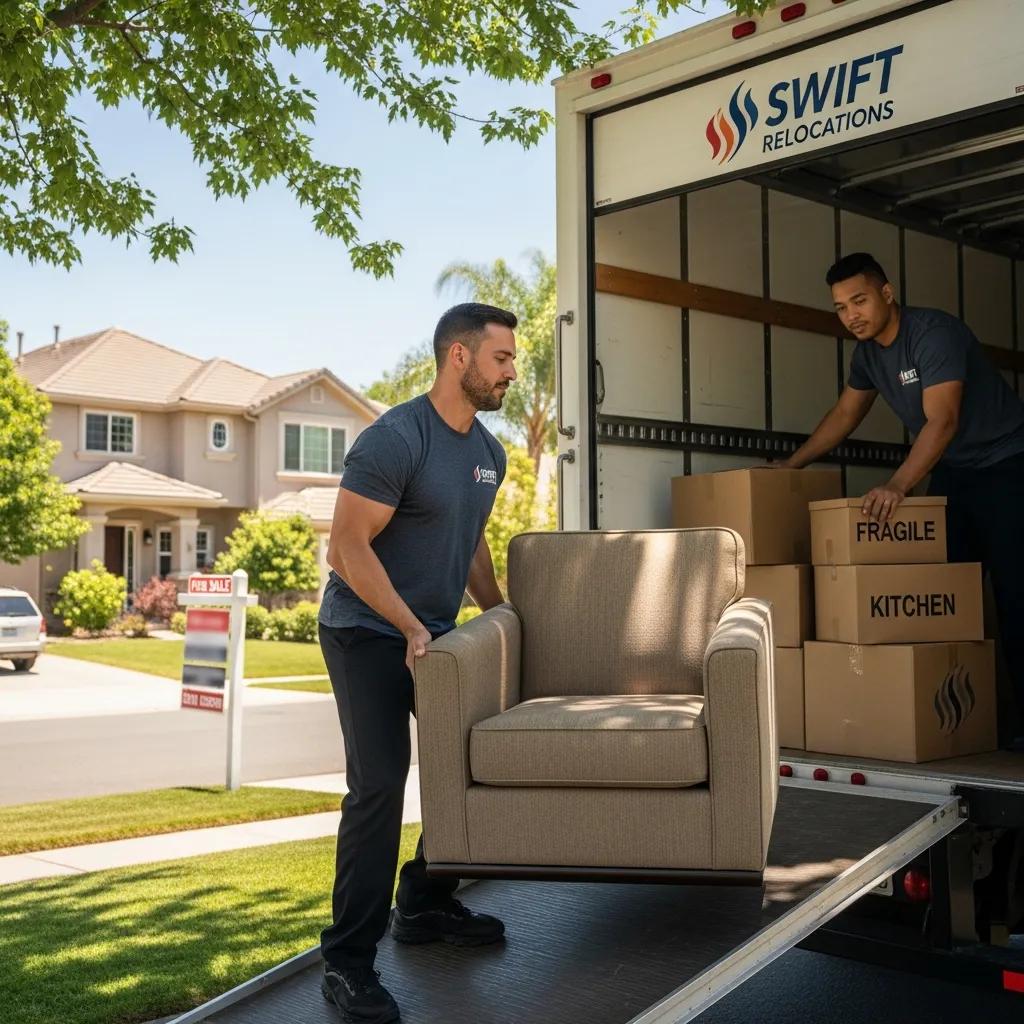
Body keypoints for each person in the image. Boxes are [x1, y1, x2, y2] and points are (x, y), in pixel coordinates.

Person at [317, 302, 517, 1023]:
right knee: (378, 787)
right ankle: (346, 962)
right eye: (502, 359)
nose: (512, 373)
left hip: (431, 634)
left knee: (469, 769)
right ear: (458, 358)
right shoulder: (395, 439)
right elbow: (347, 548)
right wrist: (406, 625)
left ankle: (427, 903)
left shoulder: (488, 456)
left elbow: (468, 541)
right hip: (366, 631)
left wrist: (499, 611)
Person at [782, 252, 1024, 748]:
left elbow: (943, 421)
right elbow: (844, 415)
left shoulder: (934, 333)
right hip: (958, 474)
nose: (852, 315)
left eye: (860, 300)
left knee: (1015, 599)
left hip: (1009, 466)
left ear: (887, 293)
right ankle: (961, 727)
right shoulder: (868, 355)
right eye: (840, 308)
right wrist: (791, 466)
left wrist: (898, 486)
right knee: (944, 601)